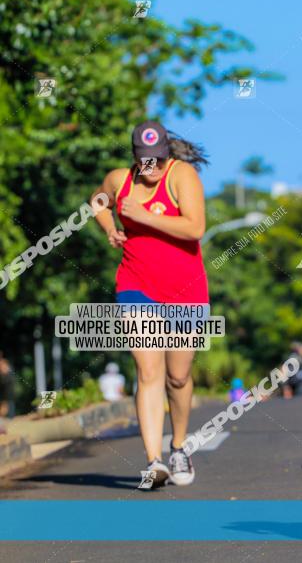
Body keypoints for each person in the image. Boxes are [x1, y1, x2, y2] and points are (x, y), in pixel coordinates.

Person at [91, 120, 209, 488]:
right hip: (135, 286)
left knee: (178, 376)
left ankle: (178, 446)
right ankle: (154, 461)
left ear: (166, 154)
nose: (151, 168)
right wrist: (109, 227)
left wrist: (143, 216)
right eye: (145, 161)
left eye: (157, 160)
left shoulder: (182, 176)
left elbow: (195, 228)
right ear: (135, 158)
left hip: (185, 290)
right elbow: (96, 202)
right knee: (148, 371)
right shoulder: (118, 180)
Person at [0, 352, 14, 419]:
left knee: (7, 403)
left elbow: (6, 373)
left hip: (7, 388)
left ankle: (9, 418)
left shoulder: (3, 363)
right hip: (5, 388)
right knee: (7, 403)